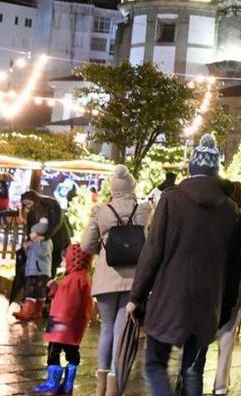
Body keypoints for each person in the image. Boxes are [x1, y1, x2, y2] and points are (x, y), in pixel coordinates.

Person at [127, 134, 241, 396]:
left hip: (169, 298)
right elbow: (235, 263)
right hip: (208, 302)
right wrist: (226, 306)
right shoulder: (230, 209)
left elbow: (153, 249)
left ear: (192, 168)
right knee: (192, 369)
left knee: (155, 364)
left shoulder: (172, 199)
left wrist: (136, 296)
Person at [80, 164, 151, 396]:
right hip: (133, 280)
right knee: (122, 332)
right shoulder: (143, 210)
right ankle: (114, 389)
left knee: (107, 329)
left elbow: (86, 245)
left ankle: (100, 388)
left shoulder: (101, 211)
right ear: (132, 187)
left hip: (106, 278)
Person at [205, 180, 241, 396]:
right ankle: (221, 383)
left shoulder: (216, 215)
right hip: (239, 280)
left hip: (212, 277)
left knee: (203, 325)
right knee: (229, 330)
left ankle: (190, 373)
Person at [35, 244, 93, 394]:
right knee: (72, 351)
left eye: (65, 260)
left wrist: (55, 289)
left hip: (61, 320)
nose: (63, 263)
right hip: (73, 324)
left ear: (73, 259)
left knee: (54, 350)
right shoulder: (84, 277)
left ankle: (52, 381)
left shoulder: (73, 278)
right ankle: (68, 382)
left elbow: (67, 300)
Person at [21, 190, 71, 276]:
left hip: (57, 238)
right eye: (25, 204)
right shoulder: (32, 209)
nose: (27, 206)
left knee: (52, 263)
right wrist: (29, 239)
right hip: (43, 241)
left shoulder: (51, 205)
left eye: (29, 203)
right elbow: (30, 226)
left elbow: (56, 223)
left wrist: (46, 236)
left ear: (34, 200)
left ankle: (49, 286)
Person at [14, 220, 53, 322]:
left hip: (40, 271)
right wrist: (27, 247)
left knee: (37, 291)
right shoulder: (35, 242)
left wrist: (36, 243)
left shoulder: (45, 242)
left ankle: (30, 311)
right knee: (32, 289)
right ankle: (35, 311)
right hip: (32, 270)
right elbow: (30, 255)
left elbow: (42, 254)